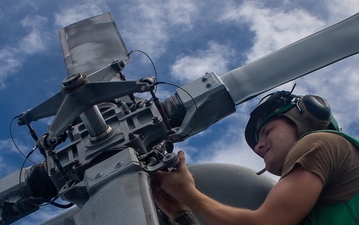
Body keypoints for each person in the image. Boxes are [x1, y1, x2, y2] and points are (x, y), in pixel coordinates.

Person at [152, 90, 359, 225]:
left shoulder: (321, 142)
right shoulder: (305, 210)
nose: (259, 147)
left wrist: (189, 194)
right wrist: (182, 216)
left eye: (267, 131)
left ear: (305, 121)